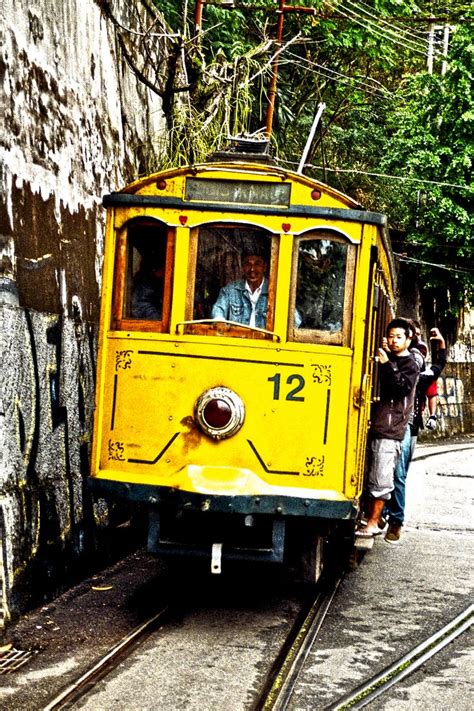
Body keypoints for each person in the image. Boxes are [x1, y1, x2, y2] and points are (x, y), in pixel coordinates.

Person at [356, 318, 420, 538]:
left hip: (391, 430)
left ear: (409, 338)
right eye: (391, 336)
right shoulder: (392, 358)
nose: (394, 341)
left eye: (399, 337)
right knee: (373, 475)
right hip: (380, 425)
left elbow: (400, 388)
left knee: (382, 479)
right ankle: (370, 519)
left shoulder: (411, 363)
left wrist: (385, 364)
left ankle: (374, 522)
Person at [383, 326, 447, 544]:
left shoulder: (419, 375)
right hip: (397, 426)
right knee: (387, 471)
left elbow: (439, 366)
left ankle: (395, 519)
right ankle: (385, 515)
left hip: (407, 429)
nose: (418, 359)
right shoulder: (399, 367)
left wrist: (441, 345)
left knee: (397, 473)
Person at [211, 254, 268, 328]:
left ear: (265, 267)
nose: (252, 269)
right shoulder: (230, 290)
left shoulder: (273, 291)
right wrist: (219, 322)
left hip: (264, 339)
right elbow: (218, 309)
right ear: (243, 267)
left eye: (257, 264)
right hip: (237, 338)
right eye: (248, 264)